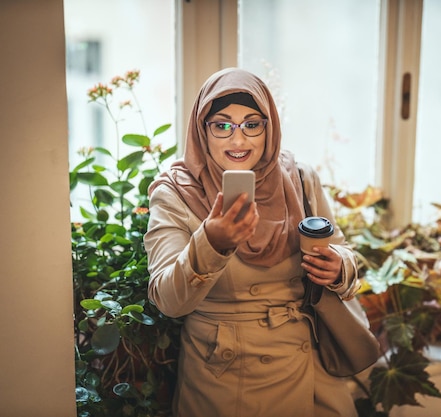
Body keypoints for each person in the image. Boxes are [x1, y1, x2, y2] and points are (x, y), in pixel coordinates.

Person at [144, 67, 360, 417]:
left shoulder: (300, 179)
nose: (239, 140)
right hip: (227, 378)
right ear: (203, 129)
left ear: (268, 126)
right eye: (222, 125)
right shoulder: (176, 193)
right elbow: (168, 300)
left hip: (311, 371)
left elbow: (344, 251)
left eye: (252, 124)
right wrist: (211, 243)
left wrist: (338, 268)